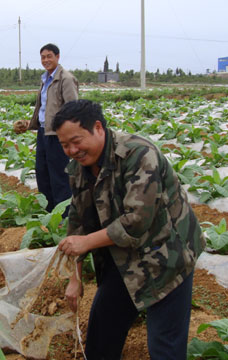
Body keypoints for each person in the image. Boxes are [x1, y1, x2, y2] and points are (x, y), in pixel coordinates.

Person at [54, 100, 205, 360]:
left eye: (76, 141)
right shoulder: (79, 168)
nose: (72, 150)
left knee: (164, 346)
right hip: (124, 257)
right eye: (65, 145)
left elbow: (137, 220)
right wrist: (74, 277)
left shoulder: (139, 154)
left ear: (98, 127)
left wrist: (88, 242)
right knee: (101, 337)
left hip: (168, 256)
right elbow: (78, 220)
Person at [27, 43, 79, 213]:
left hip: (58, 135)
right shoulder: (45, 79)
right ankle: (49, 212)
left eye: (49, 56)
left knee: (59, 176)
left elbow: (72, 109)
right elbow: (44, 107)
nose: (46, 60)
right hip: (43, 132)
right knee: (42, 172)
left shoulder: (66, 79)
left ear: (58, 57)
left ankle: (64, 216)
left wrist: (67, 134)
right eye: (43, 57)